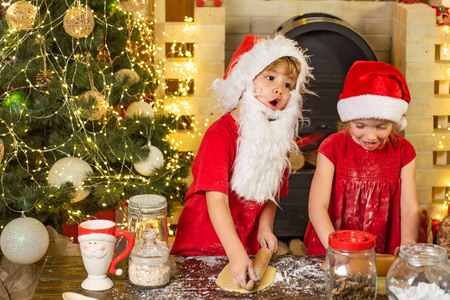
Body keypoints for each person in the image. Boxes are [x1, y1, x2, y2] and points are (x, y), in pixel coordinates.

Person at [170, 34, 312, 289]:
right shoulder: (219, 135)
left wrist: (265, 227)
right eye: (270, 78)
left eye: (288, 85)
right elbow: (217, 199)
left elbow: (272, 192)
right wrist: (235, 252)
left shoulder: (276, 139)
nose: (280, 88)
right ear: (246, 81)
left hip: (242, 244)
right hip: (202, 245)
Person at [304, 61, 420, 256]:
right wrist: (337, 250)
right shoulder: (332, 148)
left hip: (385, 243)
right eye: (360, 126)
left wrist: (408, 241)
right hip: (334, 242)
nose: (371, 136)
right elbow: (317, 206)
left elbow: (409, 208)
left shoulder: (404, 151)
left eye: (382, 127)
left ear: (394, 122)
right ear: (349, 119)